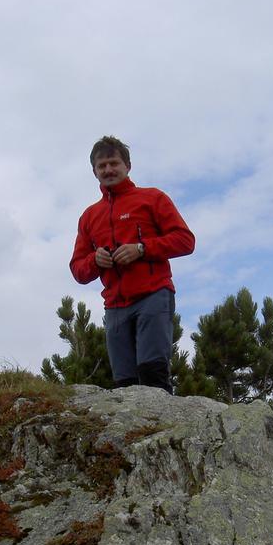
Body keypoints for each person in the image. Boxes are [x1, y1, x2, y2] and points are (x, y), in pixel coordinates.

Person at [70, 136, 195, 392]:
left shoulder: (152, 198)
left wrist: (141, 249)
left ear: (127, 166)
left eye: (113, 163)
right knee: (124, 385)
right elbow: (78, 270)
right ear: (94, 172)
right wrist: (95, 260)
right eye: (102, 166)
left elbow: (185, 240)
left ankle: (166, 430)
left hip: (153, 295)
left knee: (153, 373)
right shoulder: (89, 216)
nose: (108, 170)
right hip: (115, 306)